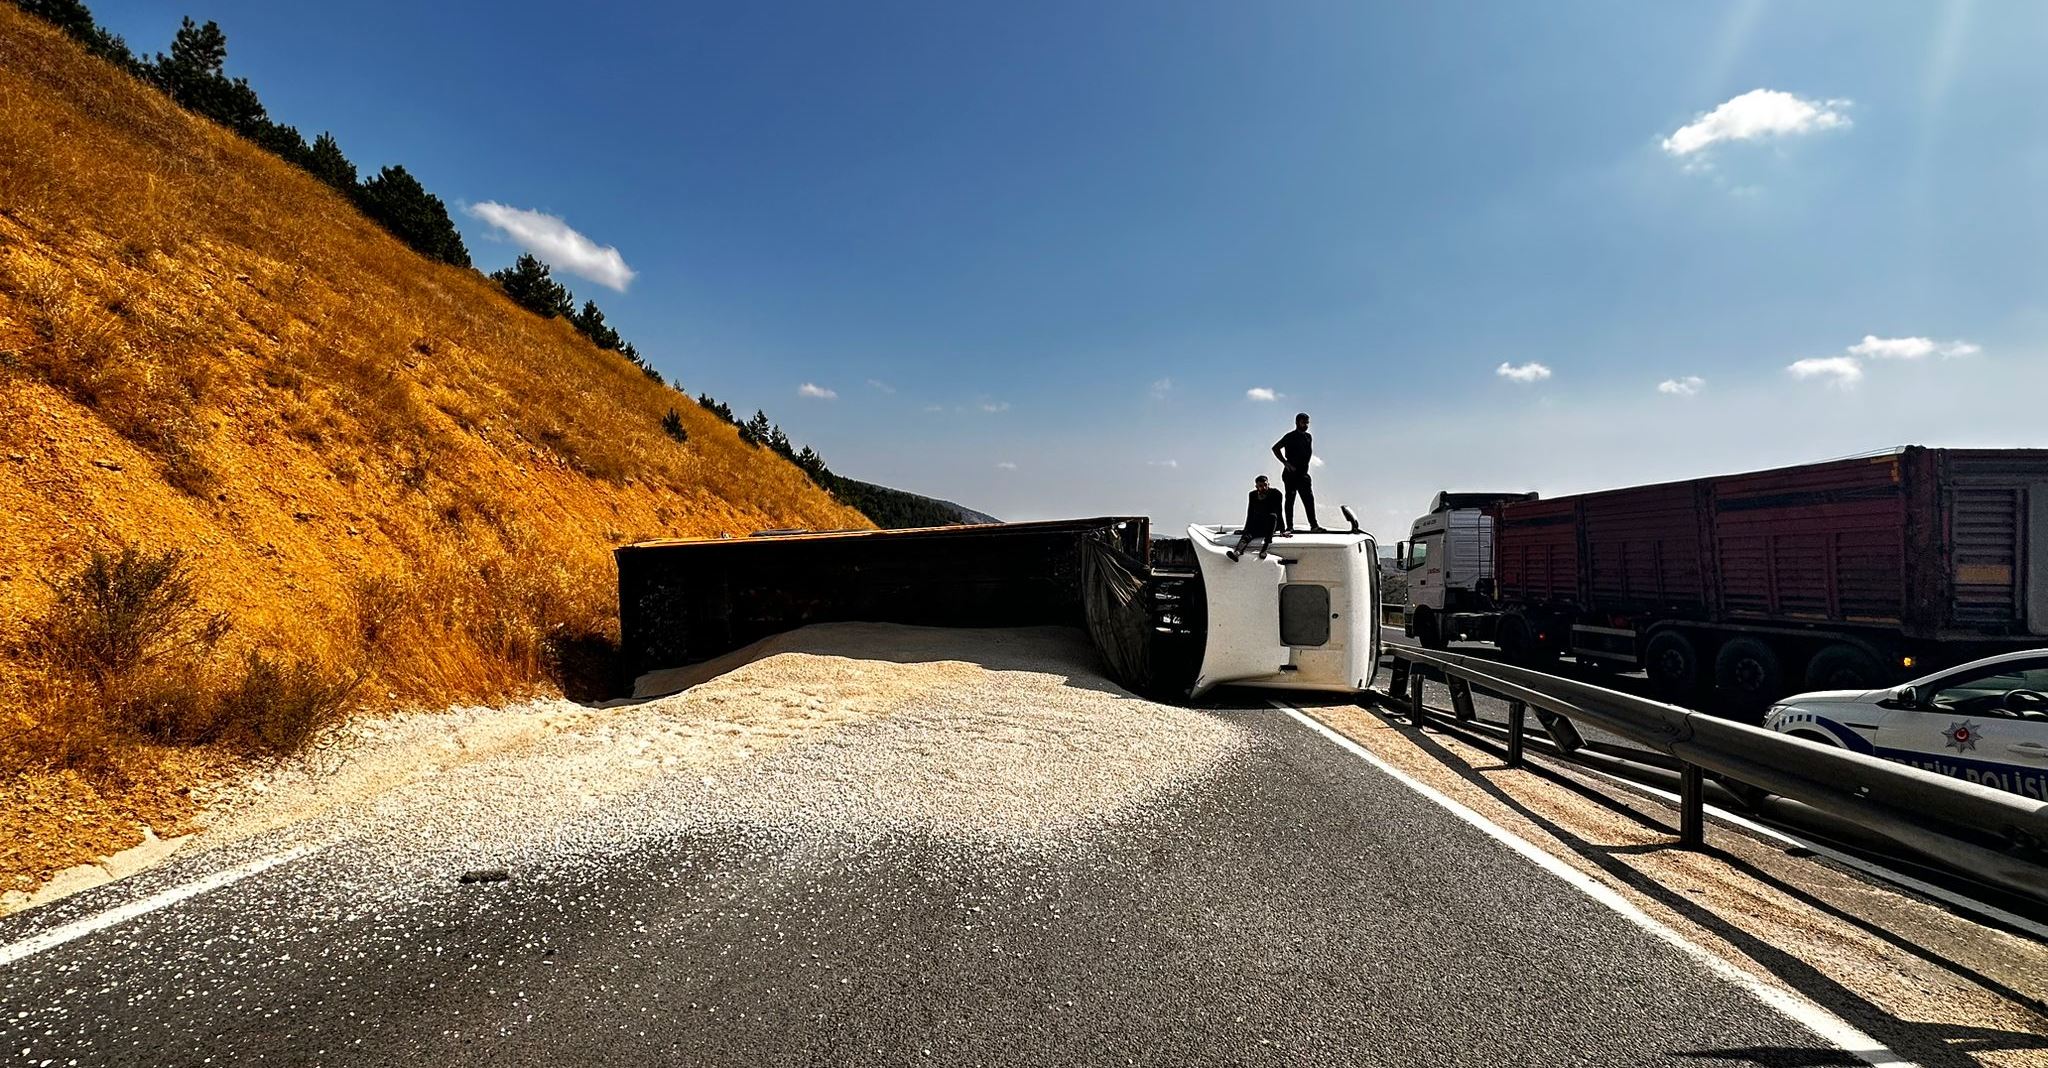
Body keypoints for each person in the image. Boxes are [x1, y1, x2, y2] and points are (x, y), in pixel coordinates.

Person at [1271, 412, 1326, 533]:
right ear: (1297, 423)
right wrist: (1285, 463)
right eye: (1303, 422)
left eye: (1307, 422)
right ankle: (1289, 527)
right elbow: (1275, 448)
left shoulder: (1308, 437)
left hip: (1303, 475)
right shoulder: (1290, 436)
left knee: (1309, 500)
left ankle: (1314, 525)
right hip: (1290, 474)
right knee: (1290, 500)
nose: (1305, 425)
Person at [1227, 475, 1285, 561]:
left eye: (1266, 485)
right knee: (1247, 535)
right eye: (1261, 486)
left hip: (1271, 525)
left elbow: (1279, 512)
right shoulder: (1252, 495)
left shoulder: (1276, 494)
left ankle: (1264, 549)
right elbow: (1250, 513)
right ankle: (1237, 553)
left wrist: (1282, 530)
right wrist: (1245, 529)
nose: (1264, 487)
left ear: (1268, 484)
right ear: (1256, 487)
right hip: (1258, 524)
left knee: (1272, 516)